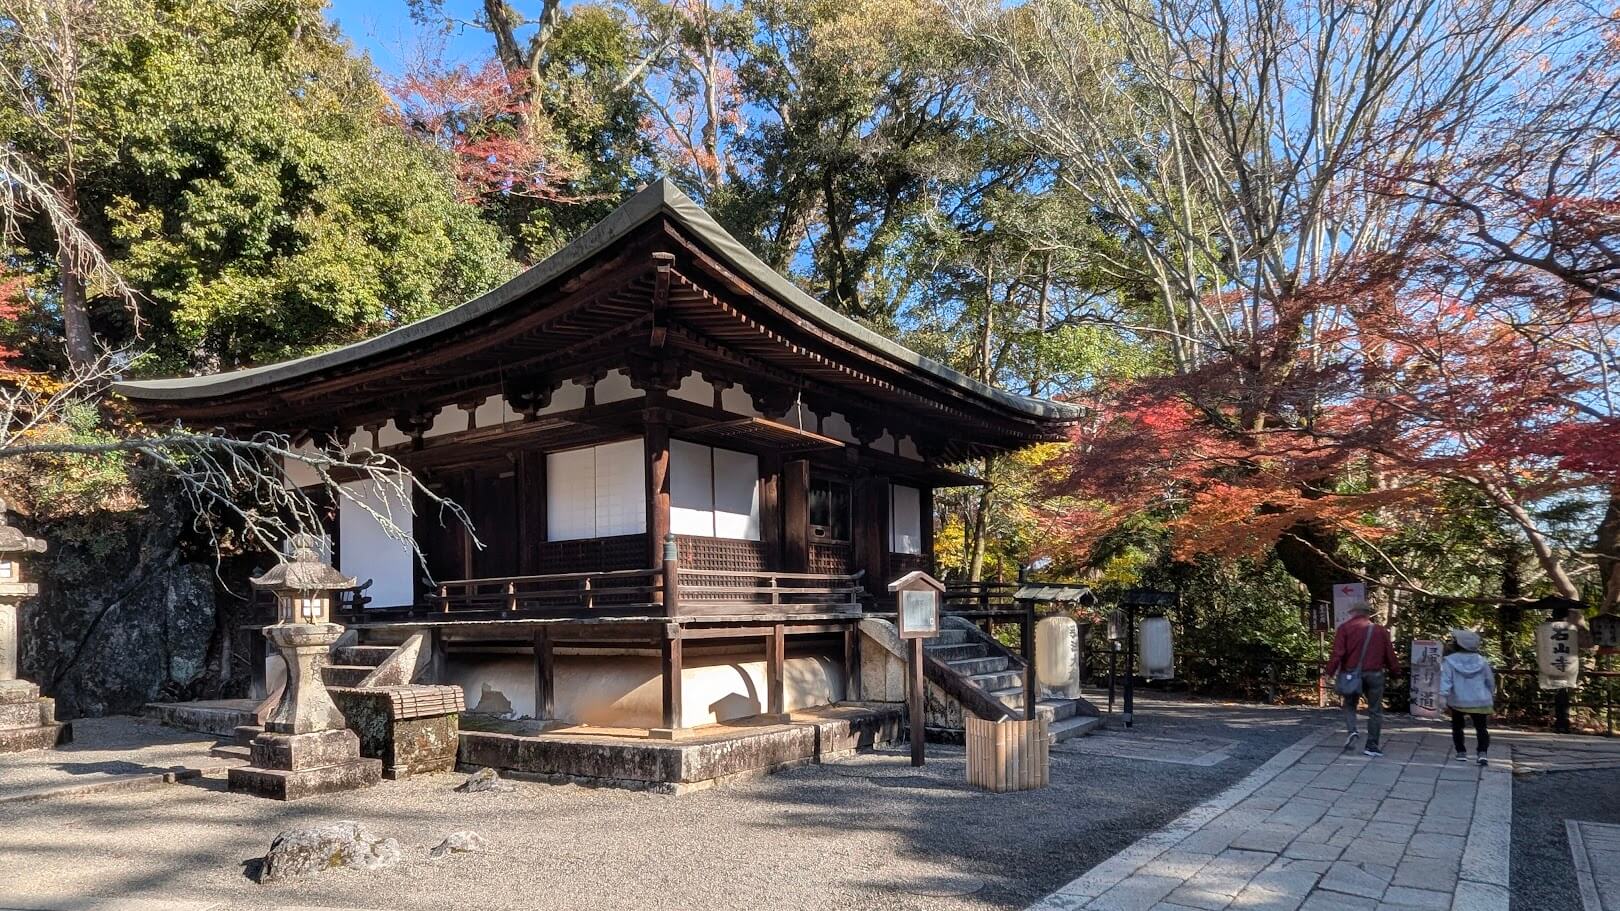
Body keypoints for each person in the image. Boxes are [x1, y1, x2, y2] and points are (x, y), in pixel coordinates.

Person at [1325, 602, 1401, 757]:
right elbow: (1390, 655)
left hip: (1352, 674)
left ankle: (1352, 731)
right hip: (1375, 675)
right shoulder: (1380, 630)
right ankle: (1372, 745)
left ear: (1353, 612)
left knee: (1350, 705)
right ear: (1368, 613)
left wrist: (1329, 672)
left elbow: (1338, 654)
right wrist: (1396, 674)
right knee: (1375, 710)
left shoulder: (1345, 628)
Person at [1441, 629, 1495, 766]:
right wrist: (1491, 693)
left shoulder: (1449, 661)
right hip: (1480, 699)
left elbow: (1445, 680)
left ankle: (1461, 752)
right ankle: (1482, 753)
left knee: (1457, 726)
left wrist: (1443, 696)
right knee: (1481, 728)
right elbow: (1490, 680)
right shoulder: (1482, 661)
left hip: (1459, 699)